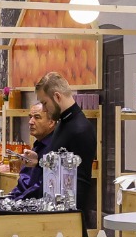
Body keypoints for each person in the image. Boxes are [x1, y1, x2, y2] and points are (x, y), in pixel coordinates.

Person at [35, 73, 98, 228]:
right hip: (55, 213)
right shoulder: (63, 123)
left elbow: (79, 184)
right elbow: (59, 165)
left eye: (45, 103)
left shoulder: (80, 129)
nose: (44, 109)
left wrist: (70, 222)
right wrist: (38, 161)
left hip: (69, 219)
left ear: (57, 97)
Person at [9, 100, 59, 200]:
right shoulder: (38, 145)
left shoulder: (54, 149)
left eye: (37, 117)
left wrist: (16, 200)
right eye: (30, 117)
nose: (30, 122)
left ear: (51, 122)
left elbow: (40, 188)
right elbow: (25, 181)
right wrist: (10, 198)